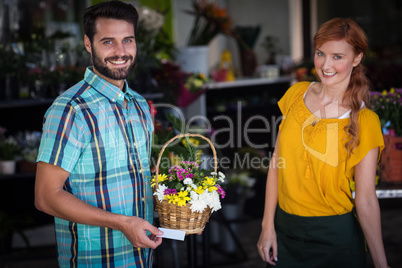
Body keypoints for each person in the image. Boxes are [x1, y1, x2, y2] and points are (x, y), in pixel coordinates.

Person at [34, 1, 163, 267]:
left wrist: (185, 200)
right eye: (108, 42)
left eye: (127, 40)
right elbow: (46, 197)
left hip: (141, 256)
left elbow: (137, 178)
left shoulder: (138, 104)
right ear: (88, 44)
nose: (120, 51)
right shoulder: (71, 110)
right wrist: (122, 223)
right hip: (95, 260)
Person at [257, 18, 390, 267]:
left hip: (335, 240)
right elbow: (277, 163)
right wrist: (267, 227)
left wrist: (382, 264)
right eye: (320, 54)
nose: (326, 65)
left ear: (357, 58)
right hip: (284, 233)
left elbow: (366, 200)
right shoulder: (296, 94)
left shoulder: (365, 121)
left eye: (337, 56)